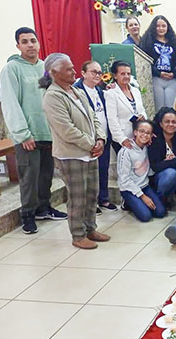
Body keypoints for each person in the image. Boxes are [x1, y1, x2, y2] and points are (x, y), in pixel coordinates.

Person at [0, 27, 67, 234]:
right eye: (25, 41)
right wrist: (23, 134)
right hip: (28, 134)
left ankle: (43, 207)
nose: (30, 45)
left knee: (46, 174)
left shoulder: (45, 68)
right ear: (18, 45)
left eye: (33, 40)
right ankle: (27, 214)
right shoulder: (12, 69)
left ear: (38, 43)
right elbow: (11, 103)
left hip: (47, 131)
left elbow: (53, 97)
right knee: (29, 176)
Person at [40, 53, 109, 249]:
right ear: (54, 72)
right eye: (68, 68)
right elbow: (66, 130)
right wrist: (91, 144)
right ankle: (78, 235)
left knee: (91, 194)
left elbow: (93, 116)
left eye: (72, 67)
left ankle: (90, 228)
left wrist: (100, 139)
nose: (73, 71)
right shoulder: (52, 97)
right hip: (71, 154)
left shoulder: (75, 90)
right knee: (78, 196)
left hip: (89, 152)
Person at [74, 60, 118, 214]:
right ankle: (90, 203)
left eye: (100, 72)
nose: (98, 75)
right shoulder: (76, 91)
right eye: (94, 72)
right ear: (83, 73)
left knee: (103, 168)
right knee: (89, 173)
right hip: (87, 139)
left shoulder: (100, 90)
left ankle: (103, 198)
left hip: (103, 136)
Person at [117, 119, 167, 222]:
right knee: (146, 216)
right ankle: (127, 202)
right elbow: (124, 180)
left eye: (148, 133)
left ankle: (139, 203)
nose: (144, 135)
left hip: (144, 185)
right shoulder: (126, 151)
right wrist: (143, 197)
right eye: (141, 131)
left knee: (160, 212)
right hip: (129, 189)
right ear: (135, 132)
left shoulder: (147, 147)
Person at [139, 15, 176, 110]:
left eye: (163, 26)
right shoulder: (148, 42)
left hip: (172, 79)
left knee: (170, 108)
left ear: (167, 27)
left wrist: (173, 73)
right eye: (158, 26)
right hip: (156, 79)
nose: (161, 28)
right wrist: (159, 73)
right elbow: (146, 61)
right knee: (160, 108)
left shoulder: (173, 42)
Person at [105, 61, 147, 153]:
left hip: (139, 137)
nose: (126, 76)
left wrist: (142, 116)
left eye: (128, 74)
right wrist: (122, 139)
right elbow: (112, 119)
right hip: (123, 139)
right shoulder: (111, 94)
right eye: (123, 74)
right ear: (115, 76)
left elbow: (142, 109)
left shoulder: (136, 91)